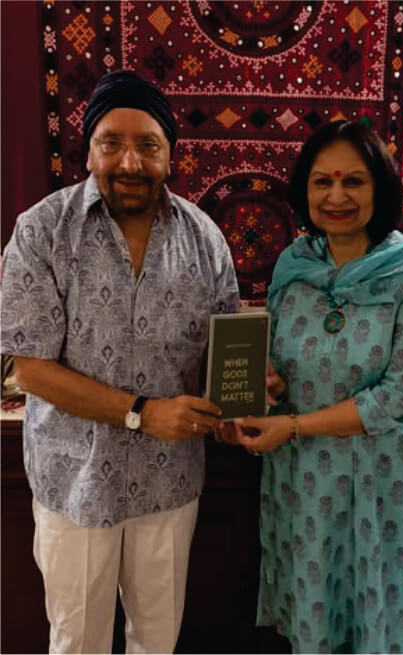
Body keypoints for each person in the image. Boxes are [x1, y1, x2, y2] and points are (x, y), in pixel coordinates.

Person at [1, 70, 239, 654]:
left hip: (169, 483)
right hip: (75, 481)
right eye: (112, 143)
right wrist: (142, 412)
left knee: (156, 642)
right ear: (89, 151)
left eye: (148, 145)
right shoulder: (42, 231)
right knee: (77, 642)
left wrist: (250, 386)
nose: (130, 162)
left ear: (169, 156)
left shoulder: (204, 238)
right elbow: (27, 368)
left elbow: (223, 351)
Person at [226, 120, 403, 654]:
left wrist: (293, 425)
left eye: (353, 181)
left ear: (381, 188)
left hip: (387, 478)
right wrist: (271, 382)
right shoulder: (294, 266)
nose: (336, 197)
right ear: (304, 190)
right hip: (308, 480)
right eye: (322, 181)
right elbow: (283, 358)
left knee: (385, 621)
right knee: (317, 618)